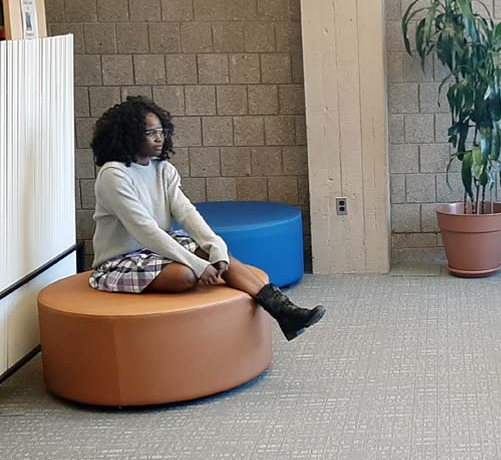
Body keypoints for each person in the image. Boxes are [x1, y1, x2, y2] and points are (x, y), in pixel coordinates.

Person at [88, 96, 324, 341]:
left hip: (157, 249)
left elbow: (187, 213)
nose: (160, 138)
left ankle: (283, 310)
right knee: (185, 276)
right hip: (121, 259)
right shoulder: (113, 175)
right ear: (130, 135)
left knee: (217, 255)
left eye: (162, 131)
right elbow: (144, 231)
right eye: (150, 133)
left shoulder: (163, 169)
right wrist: (197, 265)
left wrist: (216, 246)